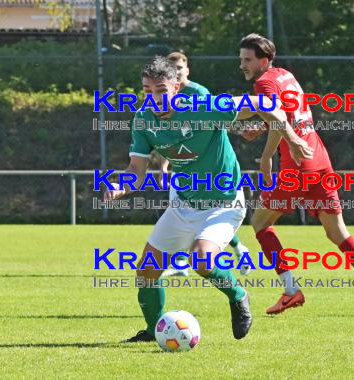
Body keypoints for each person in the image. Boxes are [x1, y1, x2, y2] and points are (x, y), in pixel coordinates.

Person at [104, 56, 313, 342]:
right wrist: (119, 186)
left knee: (202, 259)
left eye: (161, 90)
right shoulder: (143, 119)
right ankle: (155, 330)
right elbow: (136, 170)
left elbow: (265, 105)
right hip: (184, 205)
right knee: (146, 272)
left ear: (177, 88)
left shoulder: (203, 107)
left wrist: (291, 138)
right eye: (147, 90)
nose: (154, 98)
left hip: (223, 203)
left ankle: (238, 295)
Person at [238, 33, 354, 317]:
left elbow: (281, 119)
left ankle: (290, 290)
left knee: (260, 222)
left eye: (247, 60)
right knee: (338, 233)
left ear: (263, 60)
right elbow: (288, 114)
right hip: (319, 159)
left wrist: (265, 157)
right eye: (241, 60)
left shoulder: (263, 83)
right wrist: (262, 128)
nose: (243, 65)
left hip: (297, 164)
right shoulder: (285, 75)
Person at [160, 52, 251, 277]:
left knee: (204, 212)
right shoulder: (164, 96)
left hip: (208, 169)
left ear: (187, 70)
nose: (177, 72)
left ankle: (239, 249)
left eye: (180, 67)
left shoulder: (199, 93)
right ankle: (182, 263)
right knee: (183, 211)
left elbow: (214, 126)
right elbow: (168, 137)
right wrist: (164, 166)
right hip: (184, 168)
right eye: (172, 69)